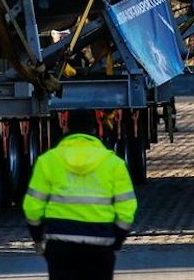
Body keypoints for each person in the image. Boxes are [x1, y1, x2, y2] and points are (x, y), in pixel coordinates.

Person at [23, 116, 138, 280]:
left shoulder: (48, 161)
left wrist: (38, 239)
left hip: (60, 244)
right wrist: (117, 241)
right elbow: (126, 209)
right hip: (100, 245)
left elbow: (32, 208)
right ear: (94, 130)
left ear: (67, 129)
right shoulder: (114, 163)